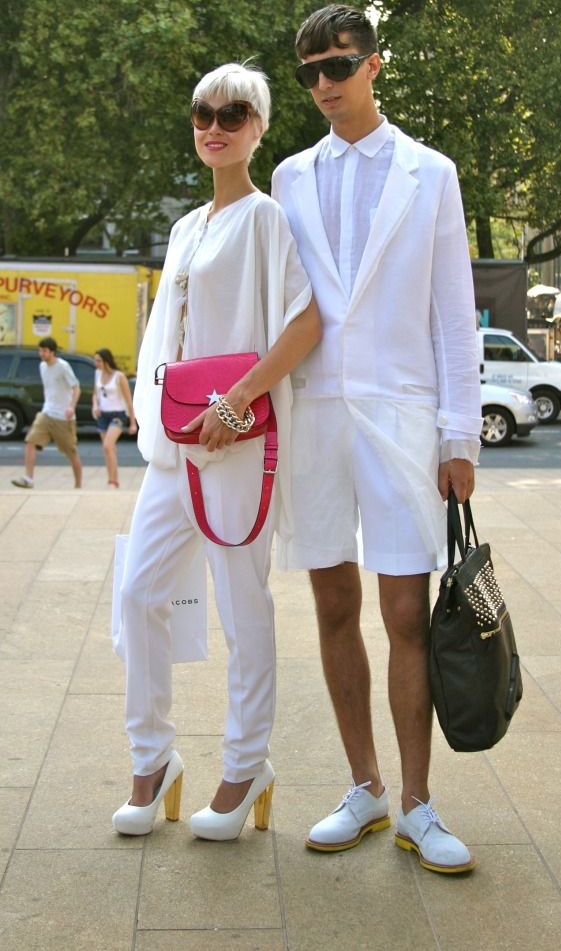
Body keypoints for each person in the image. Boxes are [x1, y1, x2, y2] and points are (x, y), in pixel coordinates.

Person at [272, 5, 482, 874]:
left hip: (401, 414)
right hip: (316, 411)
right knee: (331, 605)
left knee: (405, 612)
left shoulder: (431, 173)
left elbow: (453, 314)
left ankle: (419, 803)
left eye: (340, 63)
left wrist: (459, 431)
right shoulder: (287, 176)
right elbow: (283, 305)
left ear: (375, 64)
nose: (325, 82)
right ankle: (363, 785)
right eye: (311, 70)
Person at [112, 63, 321, 840]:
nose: (215, 125)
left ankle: (244, 764)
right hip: (176, 444)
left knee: (242, 606)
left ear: (260, 127)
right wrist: (154, 409)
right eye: (203, 112)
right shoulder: (185, 227)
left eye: (234, 113)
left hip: (237, 440)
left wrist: (237, 403)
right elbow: (169, 332)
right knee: (137, 593)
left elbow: (304, 325)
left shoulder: (268, 220)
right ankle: (152, 756)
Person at [11, 337, 82, 489]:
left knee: (71, 452)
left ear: (52, 352)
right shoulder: (42, 366)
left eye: (44, 351)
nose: (41, 353)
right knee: (30, 441)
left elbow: (76, 388)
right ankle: (28, 479)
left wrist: (71, 407)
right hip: (46, 413)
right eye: (40, 350)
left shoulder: (63, 366)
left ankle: (78, 486)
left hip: (63, 417)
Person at [92, 348, 137, 487]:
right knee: (109, 450)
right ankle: (113, 479)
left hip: (117, 415)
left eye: (99, 360)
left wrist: (132, 423)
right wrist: (95, 406)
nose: (96, 363)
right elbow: (95, 393)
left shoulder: (119, 376)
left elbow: (129, 400)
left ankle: (112, 481)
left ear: (106, 361)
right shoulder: (97, 374)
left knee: (107, 445)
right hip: (102, 415)